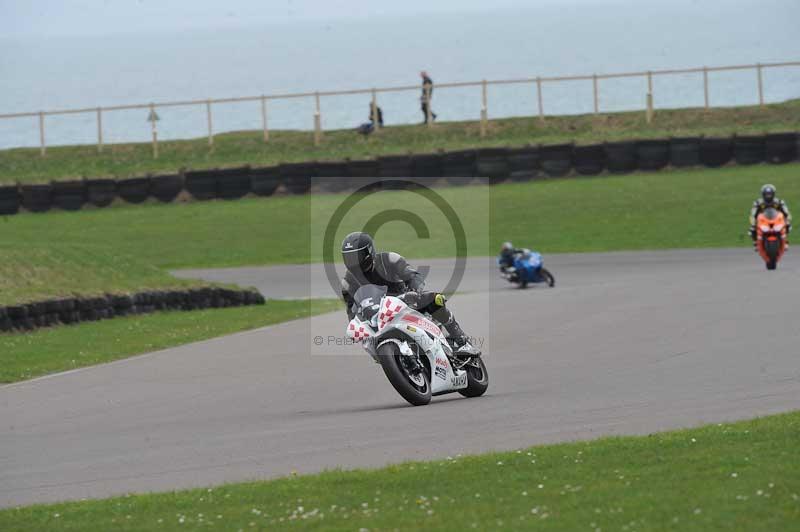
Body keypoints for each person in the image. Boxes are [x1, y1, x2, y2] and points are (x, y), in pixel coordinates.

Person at [340, 232, 480, 357]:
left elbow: (412, 275)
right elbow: (351, 309)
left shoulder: (389, 259)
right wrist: (355, 326)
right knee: (366, 338)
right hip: (378, 317)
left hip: (405, 301)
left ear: (369, 252)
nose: (353, 262)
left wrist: (416, 291)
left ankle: (461, 340)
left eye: (356, 257)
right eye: (349, 258)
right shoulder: (348, 282)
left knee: (435, 299)